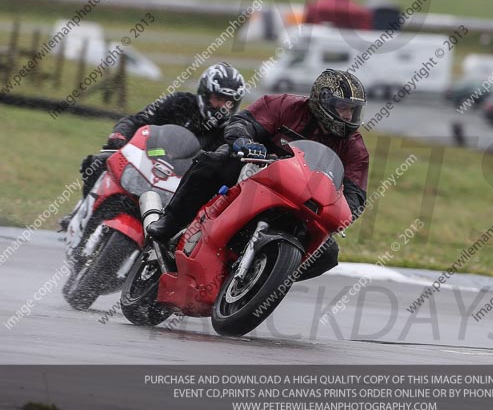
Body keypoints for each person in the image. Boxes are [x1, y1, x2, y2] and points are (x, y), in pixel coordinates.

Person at [147, 68, 370, 280]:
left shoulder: (354, 147)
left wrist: (341, 212)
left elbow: (355, 194)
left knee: (327, 255)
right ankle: (171, 222)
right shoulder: (284, 105)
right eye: (343, 107)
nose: (348, 115)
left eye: (353, 109)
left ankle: (267, 279)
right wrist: (244, 141)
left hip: (302, 201)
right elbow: (243, 122)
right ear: (323, 100)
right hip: (254, 171)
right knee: (212, 162)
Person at [62, 62, 246, 229]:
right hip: (149, 163)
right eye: (217, 98)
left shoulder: (229, 133)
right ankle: (80, 214)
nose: (222, 106)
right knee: (99, 161)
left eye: (228, 103)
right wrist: (119, 137)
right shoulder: (178, 103)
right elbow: (138, 119)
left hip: (183, 186)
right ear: (205, 93)